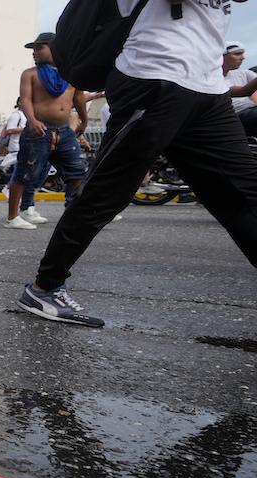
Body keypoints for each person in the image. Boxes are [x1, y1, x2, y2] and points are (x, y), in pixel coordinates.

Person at [18, 3, 257, 328]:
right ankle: (44, 287)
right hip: (153, 80)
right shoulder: (31, 76)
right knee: (106, 195)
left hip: (209, 90)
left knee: (246, 194)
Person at [3, 33, 88, 231]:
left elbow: (79, 97)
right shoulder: (30, 74)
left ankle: (75, 213)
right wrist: (32, 121)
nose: (34, 52)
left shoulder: (71, 73)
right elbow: (24, 100)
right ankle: (12, 217)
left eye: (39, 48)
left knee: (77, 172)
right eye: (33, 49)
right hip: (38, 132)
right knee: (26, 174)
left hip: (65, 132)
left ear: (55, 48)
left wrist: (83, 121)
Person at [224, 41, 257, 136]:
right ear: (222, 56)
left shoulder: (244, 73)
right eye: (237, 54)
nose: (243, 58)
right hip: (236, 116)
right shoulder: (213, 78)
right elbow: (243, 91)